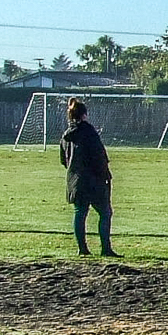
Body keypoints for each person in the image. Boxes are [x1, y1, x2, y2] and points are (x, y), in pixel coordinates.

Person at [59, 97, 117, 257]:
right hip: (94, 180)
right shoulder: (90, 133)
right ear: (84, 115)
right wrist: (105, 174)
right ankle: (105, 248)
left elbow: (64, 160)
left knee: (80, 212)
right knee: (105, 213)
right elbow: (99, 156)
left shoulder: (66, 135)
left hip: (75, 180)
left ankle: (82, 248)